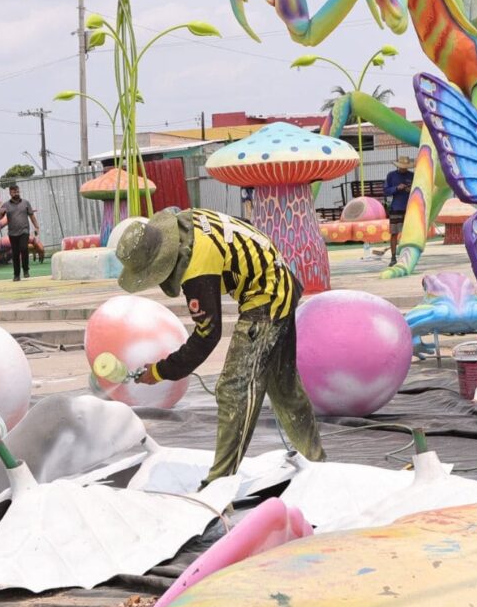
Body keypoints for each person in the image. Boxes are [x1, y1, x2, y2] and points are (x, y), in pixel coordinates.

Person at [116, 208, 325, 486]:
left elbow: (206, 336)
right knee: (284, 388)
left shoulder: (196, 266)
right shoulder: (186, 223)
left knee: (234, 389)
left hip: (268, 297)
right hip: (279, 280)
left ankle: (219, 482)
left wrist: (160, 371)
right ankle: (318, 463)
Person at [0, 184, 39, 281]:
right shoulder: (6, 205)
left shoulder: (26, 203)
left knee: (24, 248)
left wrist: (36, 226)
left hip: (24, 231)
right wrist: (0, 212)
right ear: (10, 193)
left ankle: (26, 270)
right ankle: (16, 275)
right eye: (14, 192)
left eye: (17, 191)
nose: (16, 193)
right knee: (15, 253)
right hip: (12, 233)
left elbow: (32, 216)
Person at [384, 155, 414, 262]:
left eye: (405, 166)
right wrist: (396, 188)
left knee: (409, 234)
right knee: (394, 233)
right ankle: (393, 257)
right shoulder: (391, 176)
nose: (403, 168)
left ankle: (408, 256)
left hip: (410, 209)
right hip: (396, 207)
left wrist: (411, 190)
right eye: (402, 166)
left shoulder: (412, 175)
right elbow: (386, 191)